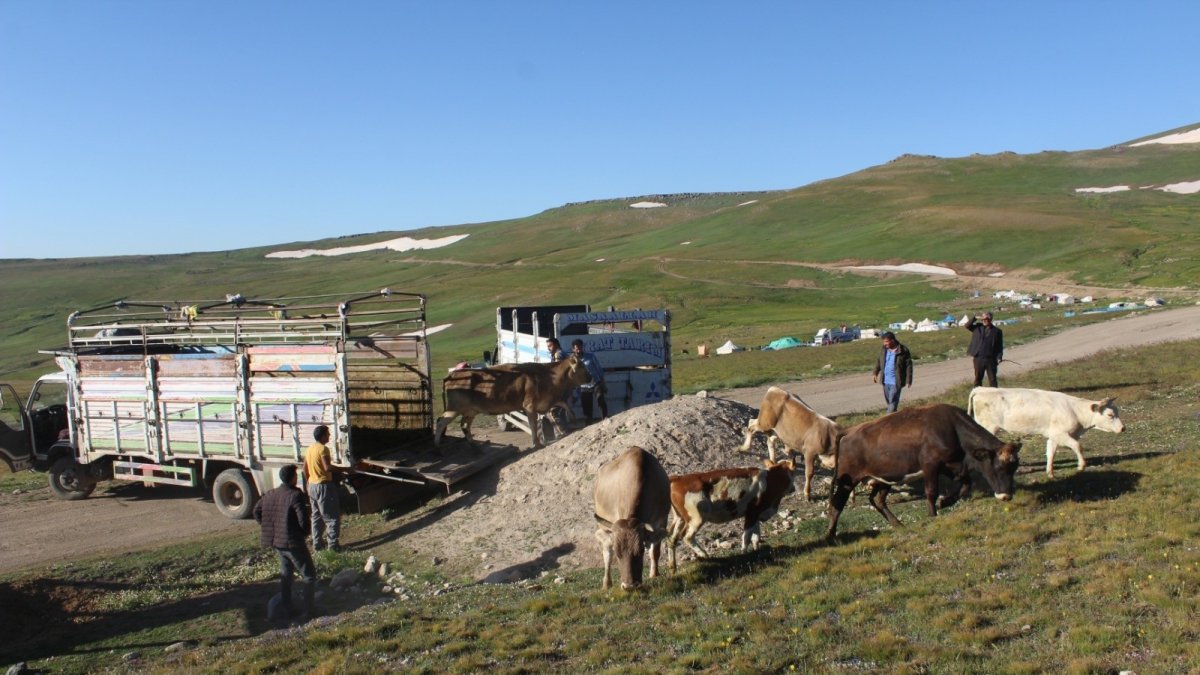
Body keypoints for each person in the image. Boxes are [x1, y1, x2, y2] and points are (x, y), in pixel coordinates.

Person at [253, 464, 316, 622]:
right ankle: (308, 612)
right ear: (293, 478)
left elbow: (256, 511)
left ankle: (288, 609)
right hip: (292, 542)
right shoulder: (295, 495)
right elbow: (303, 519)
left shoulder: (270, 494)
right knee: (309, 575)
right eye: (296, 475)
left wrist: (267, 526)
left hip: (277, 542)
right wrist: (303, 532)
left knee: (286, 576)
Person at [303, 425, 341, 552]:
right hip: (324, 486)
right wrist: (345, 470)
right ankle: (333, 545)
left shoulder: (309, 449)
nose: (329, 436)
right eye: (328, 434)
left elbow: (304, 468)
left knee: (316, 516)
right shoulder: (323, 449)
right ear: (323, 436)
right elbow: (327, 468)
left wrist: (308, 482)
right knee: (331, 517)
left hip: (312, 486)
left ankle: (317, 544)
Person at [872, 331, 913, 413]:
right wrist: (875, 373)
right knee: (889, 403)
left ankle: (887, 420)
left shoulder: (903, 350)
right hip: (885, 381)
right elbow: (879, 361)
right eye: (884, 342)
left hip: (896, 382)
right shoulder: (884, 349)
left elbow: (909, 366)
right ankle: (895, 420)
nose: (884, 344)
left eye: (886, 341)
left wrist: (909, 379)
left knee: (892, 403)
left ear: (892, 340)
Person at [570, 339, 608, 424]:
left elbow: (599, 370)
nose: (579, 350)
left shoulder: (590, 357)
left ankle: (605, 419)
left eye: (580, 348)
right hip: (584, 386)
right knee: (586, 407)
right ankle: (588, 425)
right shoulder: (571, 360)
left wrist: (603, 384)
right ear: (573, 349)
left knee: (600, 399)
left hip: (596, 382)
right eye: (577, 349)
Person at [964, 311, 1004, 387]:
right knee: (978, 379)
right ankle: (978, 395)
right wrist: (975, 317)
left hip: (991, 359)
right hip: (978, 358)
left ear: (991, 319)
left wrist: (999, 357)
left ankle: (994, 395)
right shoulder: (977, 327)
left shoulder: (997, 331)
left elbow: (999, 346)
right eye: (983, 319)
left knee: (992, 379)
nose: (985, 320)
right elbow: (967, 325)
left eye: (987, 318)